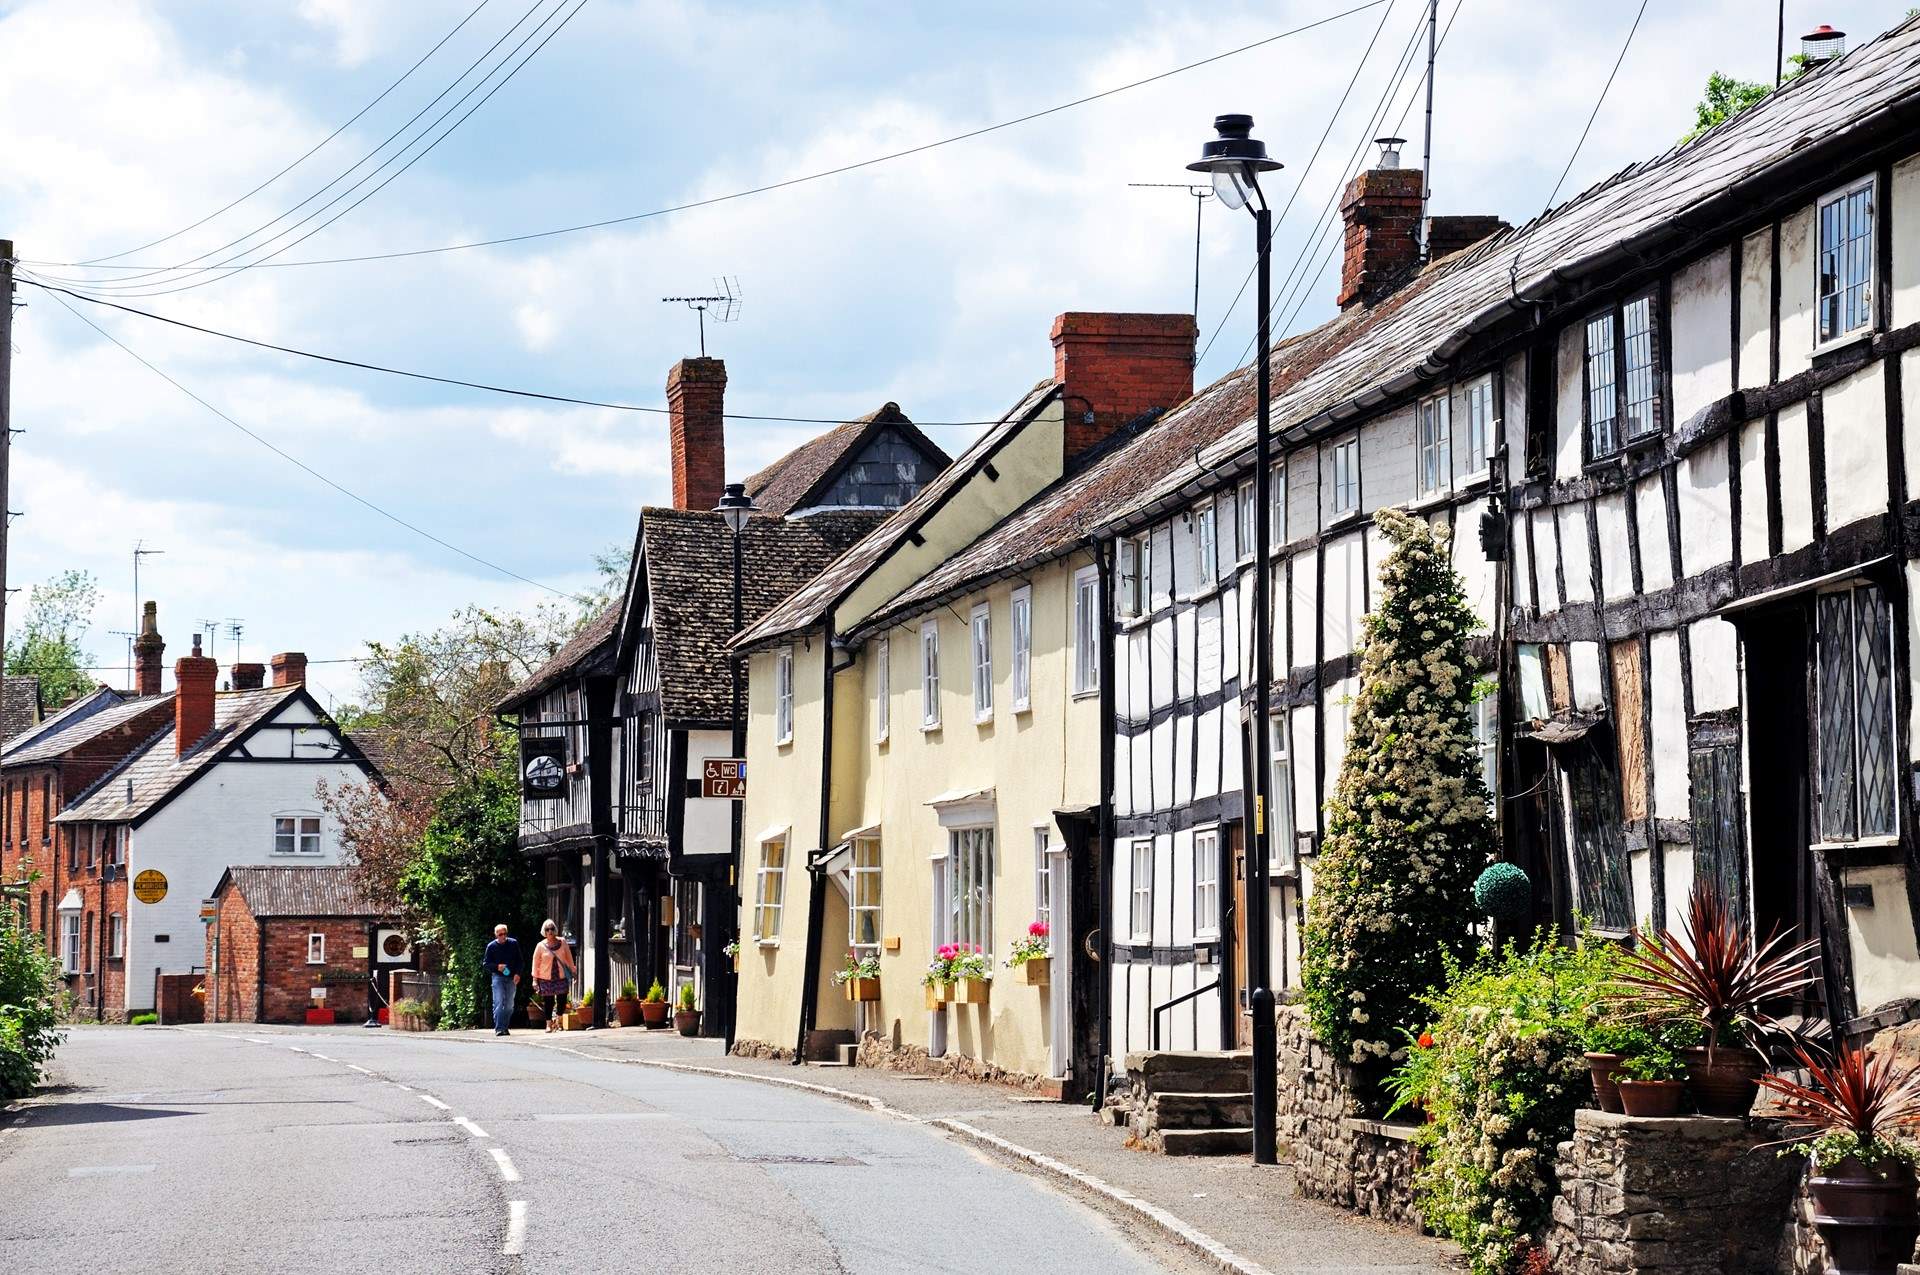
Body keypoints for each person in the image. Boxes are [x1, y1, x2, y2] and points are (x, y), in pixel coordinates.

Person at [531, 919, 577, 1032]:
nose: (550, 931)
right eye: (547, 929)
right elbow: (535, 963)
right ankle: (548, 1024)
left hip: (561, 976)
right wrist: (535, 980)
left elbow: (569, 958)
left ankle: (558, 1021)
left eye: (552, 929)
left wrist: (573, 971)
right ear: (544, 932)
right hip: (546, 977)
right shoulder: (540, 946)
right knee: (549, 1001)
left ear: (555, 930)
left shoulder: (563, 942)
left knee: (562, 999)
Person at [483, 923, 521, 1036]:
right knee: (499, 1002)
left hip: (511, 977)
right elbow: (486, 964)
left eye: (505, 934)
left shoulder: (513, 944)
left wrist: (518, 974)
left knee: (509, 1004)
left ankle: (505, 1026)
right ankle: (499, 1028)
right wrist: (497, 967)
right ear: (496, 935)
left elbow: (520, 961)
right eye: (500, 934)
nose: (503, 936)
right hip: (497, 977)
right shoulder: (491, 946)